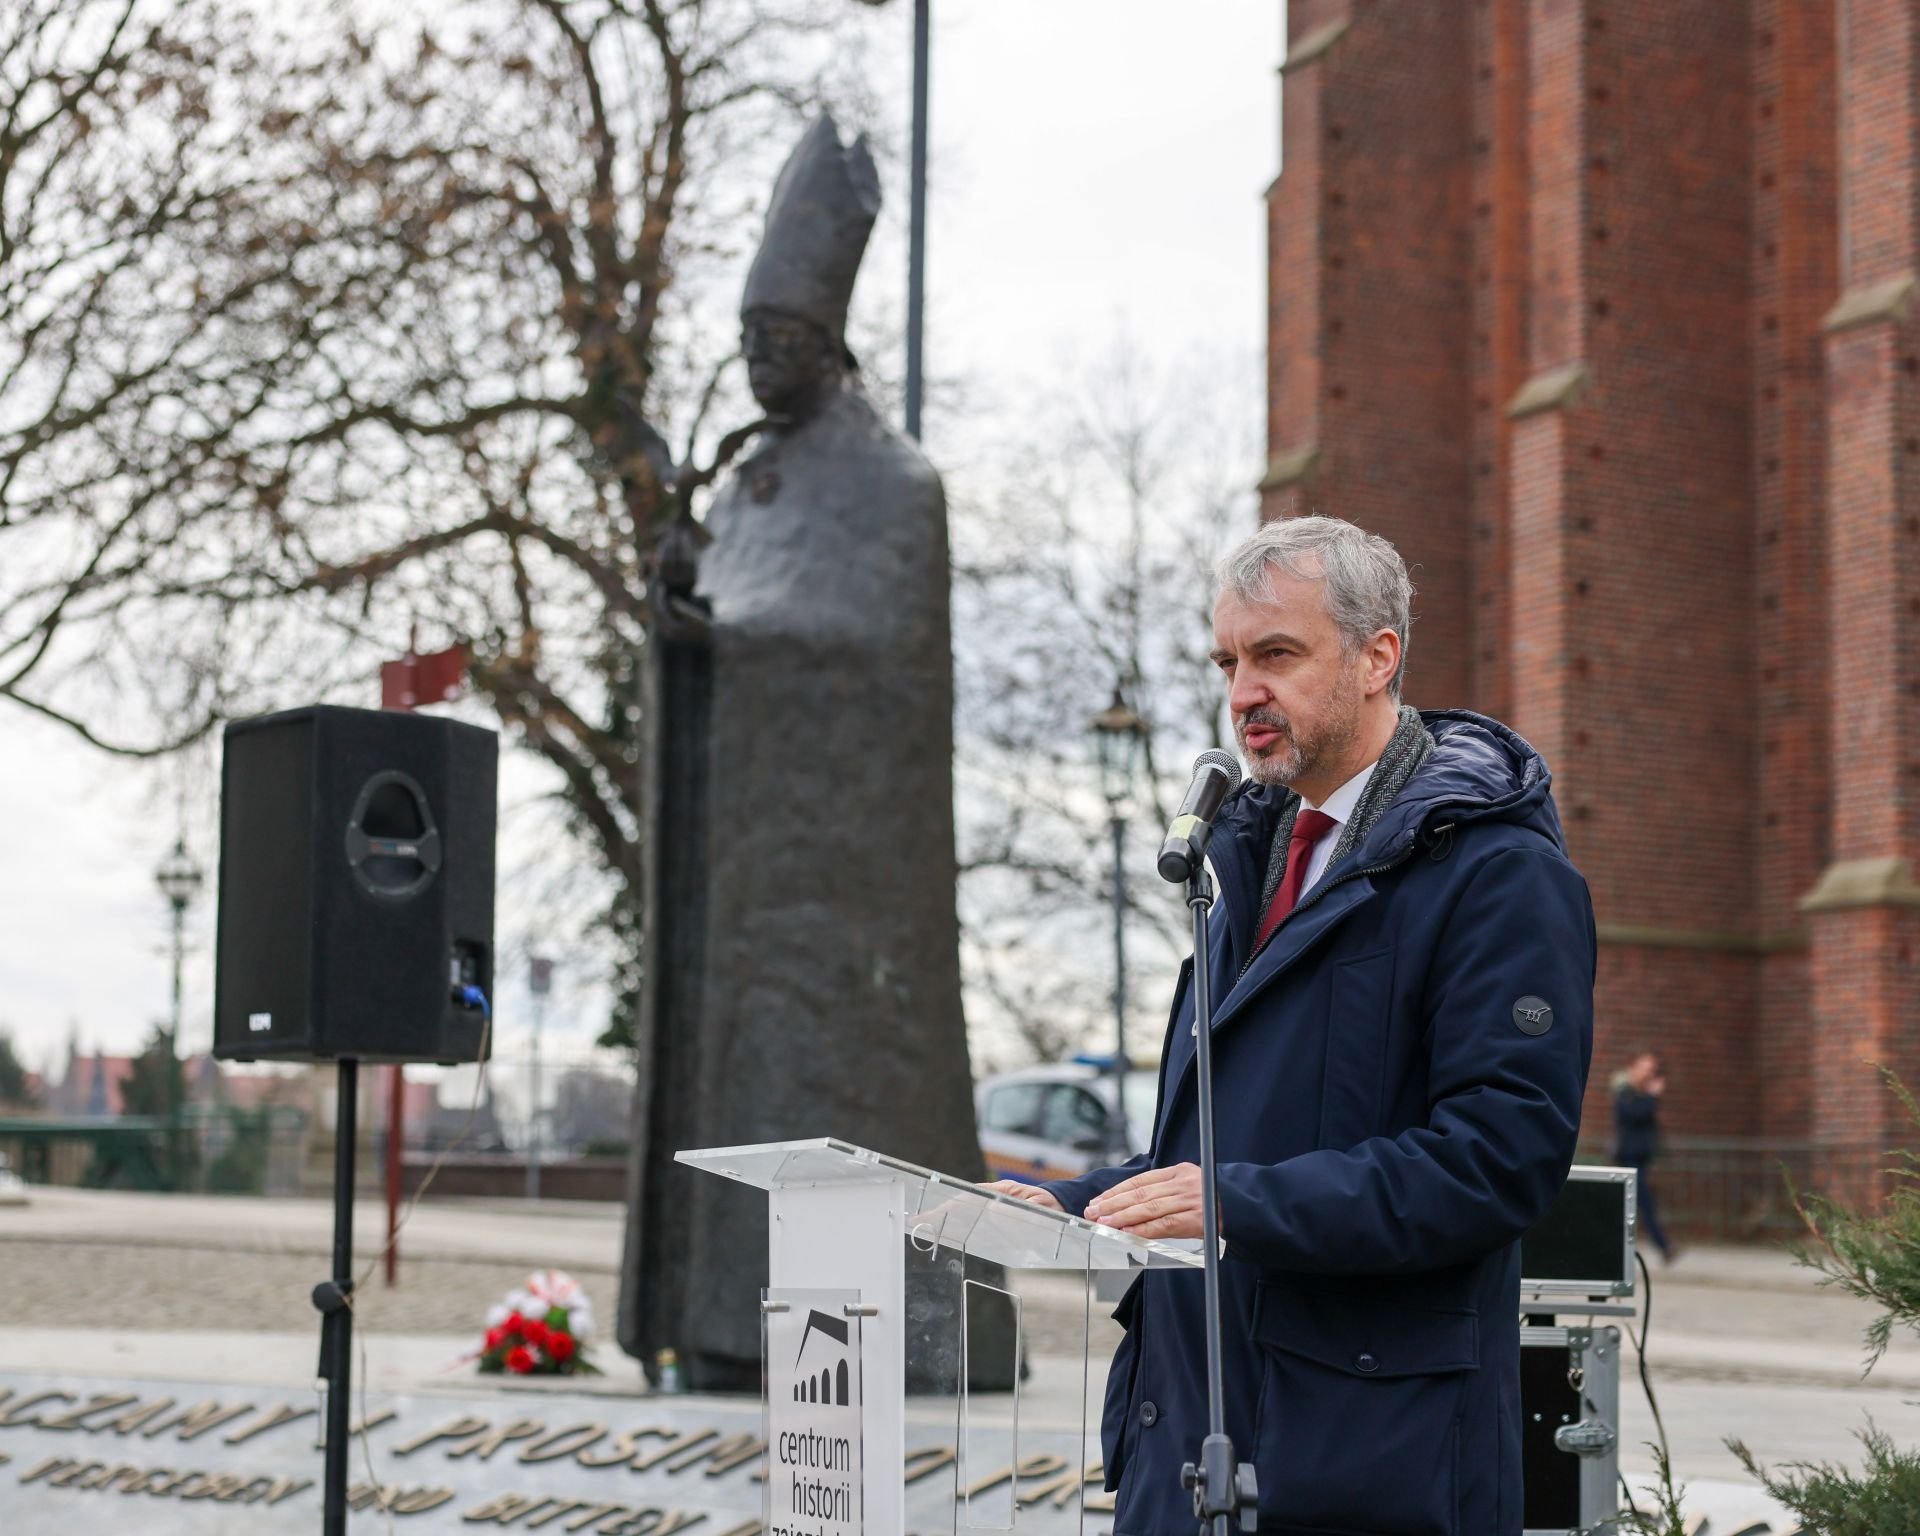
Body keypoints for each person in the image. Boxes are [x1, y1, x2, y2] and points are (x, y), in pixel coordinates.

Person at [993, 516, 1594, 1536]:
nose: (1242, 694)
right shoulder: (1248, 865)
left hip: (1366, 1470)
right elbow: (1223, 1148)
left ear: (1377, 657)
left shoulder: (1499, 877)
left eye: (1276, 655)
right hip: (1191, 1450)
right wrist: (1074, 1204)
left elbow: (1499, 1161)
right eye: (1227, 662)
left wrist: (1233, 1203)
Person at [1613, 1051, 1677, 1263]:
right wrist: (1652, 1096)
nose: (1649, 1074)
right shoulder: (1625, 1091)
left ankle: (1661, 1246)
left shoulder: (1640, 1094)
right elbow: (1633, 1115)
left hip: (1641, 1157)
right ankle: (1663, 1245)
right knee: (1643, 1203)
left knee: (1633, 1204)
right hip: (1629, 1158)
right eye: (1646, 1068)